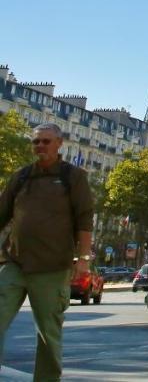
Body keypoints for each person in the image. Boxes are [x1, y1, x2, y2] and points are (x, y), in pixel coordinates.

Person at [0, 122, 94, 382]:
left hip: (52, 267)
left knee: (48, 334)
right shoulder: (20, 177)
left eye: (46, 141)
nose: (40, 145)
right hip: (14, 263)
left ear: (59, 144)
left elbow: (84, 220)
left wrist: (83, 259)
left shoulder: (72, 177)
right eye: (36, 141)